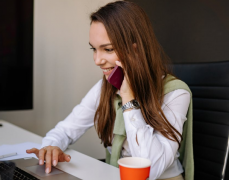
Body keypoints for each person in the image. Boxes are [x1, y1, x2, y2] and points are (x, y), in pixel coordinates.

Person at [26, 1, 193, 180]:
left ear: (135, 50)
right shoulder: (104, 87)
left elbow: (151, 169)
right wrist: (51, 146)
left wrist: (129, 98)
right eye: (94, 49)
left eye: (108, 49)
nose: (98, 60)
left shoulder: (175, 94)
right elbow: (66, 130)